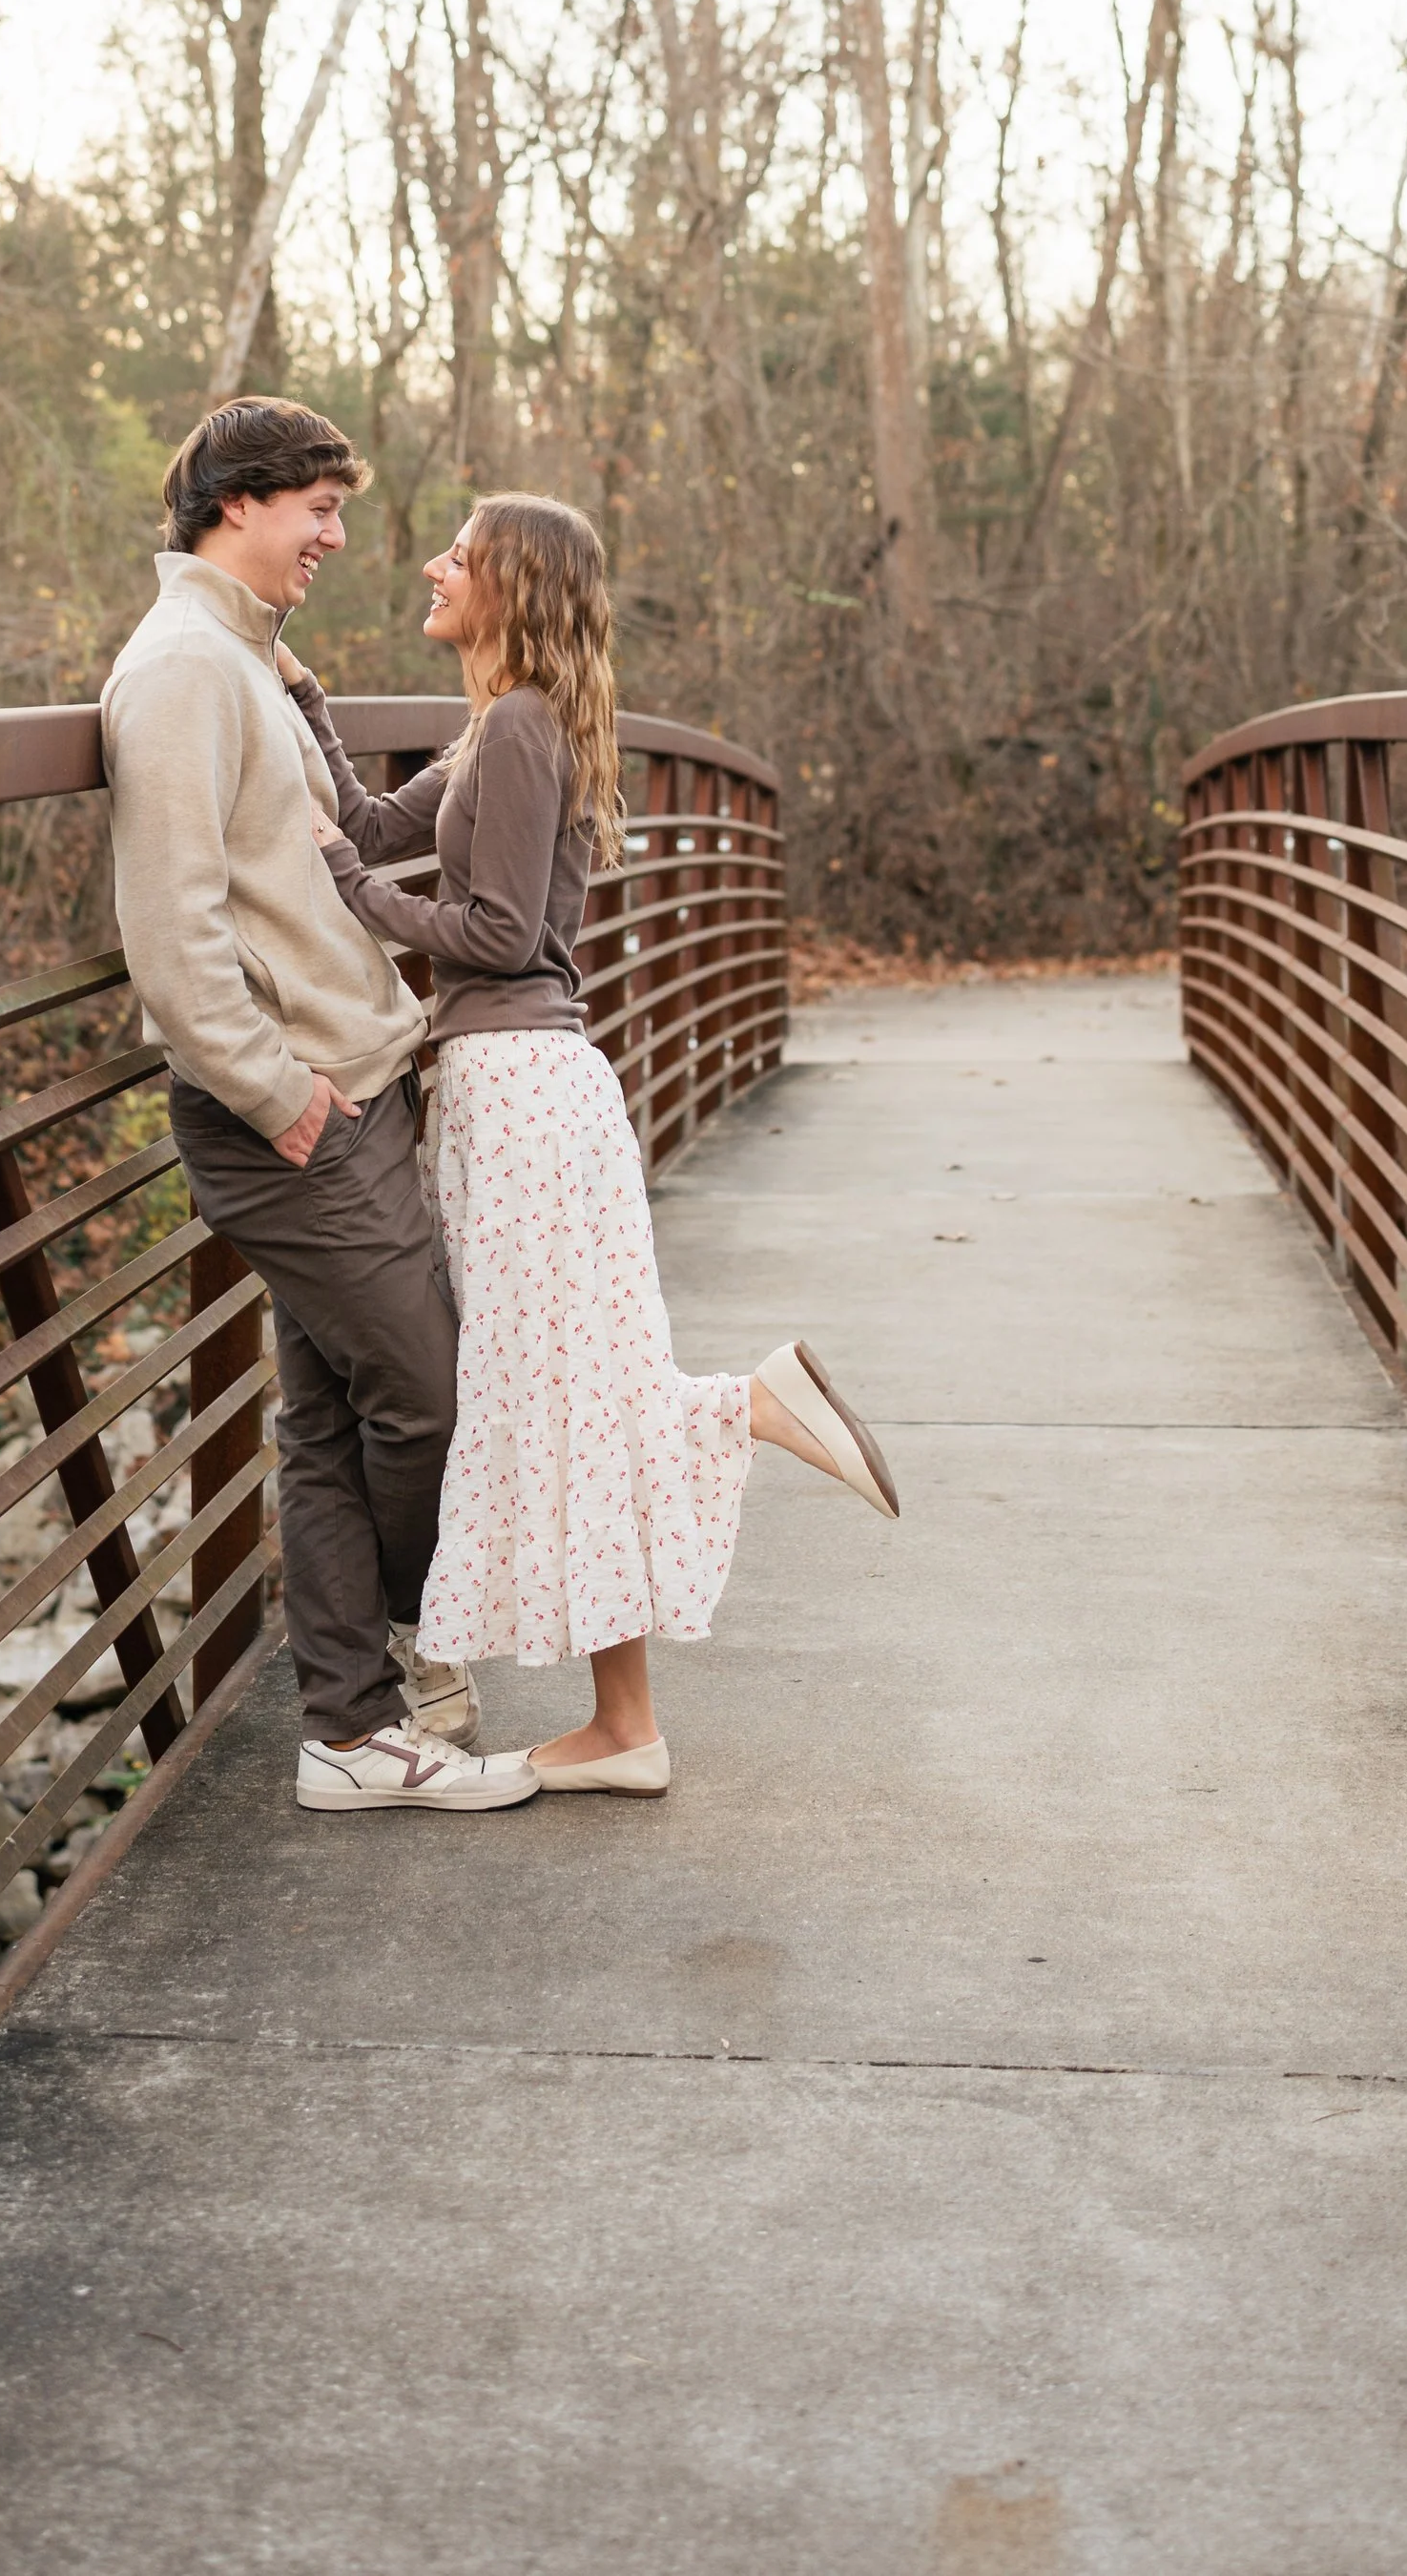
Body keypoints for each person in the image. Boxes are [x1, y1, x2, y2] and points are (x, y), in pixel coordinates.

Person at [285, 490, 899, 1795]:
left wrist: (352, 901)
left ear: (514, 586)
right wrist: (307, 701)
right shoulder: (500, 724)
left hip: (518, 1092)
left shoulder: (515, 729)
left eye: (464, 552)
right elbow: (371, 823)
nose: (436, 564)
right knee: (566, 1394)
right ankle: (624, 1723)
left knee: (545, 1394)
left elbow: (497, 933)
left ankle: (748, 1405)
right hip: (523, 1091)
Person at [101, 399, 539, 1816]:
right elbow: (169, 936)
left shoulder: (245, 659)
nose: (340, 540)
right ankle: (422, 1647)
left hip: (350, 1083)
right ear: (240, 504)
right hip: (296, 1110)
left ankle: (352, 1726)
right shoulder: (178, 670)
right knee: (430, 1389)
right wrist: (281, 1096)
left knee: (332, 1412)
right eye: (320, 511)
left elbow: (321, 843)